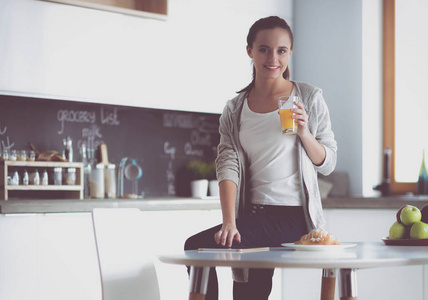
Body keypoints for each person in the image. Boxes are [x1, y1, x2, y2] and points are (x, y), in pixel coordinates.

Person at [184, 16, 337, 300]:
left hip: (294, 216)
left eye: (281, 50)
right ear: (250, 51)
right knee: (246, 295)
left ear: (290, 53)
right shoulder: (235, 108)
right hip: (251, 215)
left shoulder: (309, 98)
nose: (273, 58)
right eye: (264, 49)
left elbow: (328, 163)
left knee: (196, 246)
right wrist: (229, 221)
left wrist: (304, 133)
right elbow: (228, 164)